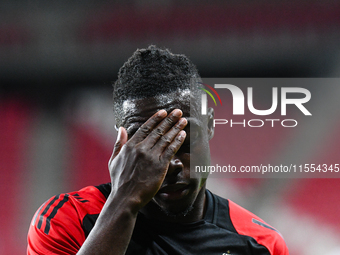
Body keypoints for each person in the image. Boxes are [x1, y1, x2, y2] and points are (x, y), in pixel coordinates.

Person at [27, 45, 289, 255]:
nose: (171, 163)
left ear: (209, 126)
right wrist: (124, 202)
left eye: (183, 140)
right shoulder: (66, 221)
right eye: (149, 144)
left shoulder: (261, 244)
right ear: (123, 142)